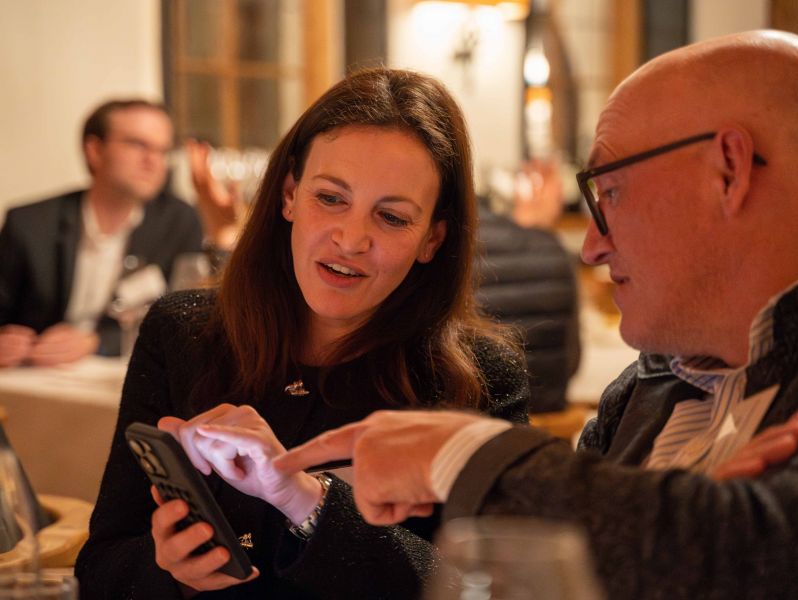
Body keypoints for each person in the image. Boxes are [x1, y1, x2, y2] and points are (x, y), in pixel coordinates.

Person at [274, 30, 798, 599]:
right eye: (331, 198)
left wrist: (462, 454)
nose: (591, 247)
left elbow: (763, 553)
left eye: (609, 192)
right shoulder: (644, 392)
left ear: (728, 170)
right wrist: (679, 532)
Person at [74, 68, 530, 599]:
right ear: (289, 195)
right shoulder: (183, 331)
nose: (351, 239)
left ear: (432, 239)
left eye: (391, 218)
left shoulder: (480, 376)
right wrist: (170, 574)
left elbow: (494, 589)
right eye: (331, 198)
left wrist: (305, 500)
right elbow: (100, 566)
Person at [0, 99, 233, 364]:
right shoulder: (30, 223)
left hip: (123, 372)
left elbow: (194, 317)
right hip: (33, 374)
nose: (153, 161)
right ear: (95, 151)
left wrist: (96, 341)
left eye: (163, 150)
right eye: (138, 145)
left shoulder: (178, 220)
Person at [476, 200, 580, 413]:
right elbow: (573, 360)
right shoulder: (550, 244)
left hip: (478, 414)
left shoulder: (442, 249)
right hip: (548, 409)